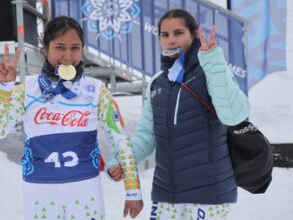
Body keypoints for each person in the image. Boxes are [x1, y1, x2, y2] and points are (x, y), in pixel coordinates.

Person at [0, 16, 143, 220]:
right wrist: (4, 87)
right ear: (45, 48)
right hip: (40, 193)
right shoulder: (26, 90)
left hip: (85, 191)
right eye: (60, 47)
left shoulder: (96, 90)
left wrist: (133, 191)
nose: (68, 56)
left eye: (75, 47)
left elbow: (121, 141)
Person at [107, 9, 250, 220]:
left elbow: (234, 115)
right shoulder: (157, 83)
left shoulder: (210, 71)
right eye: (165, 35)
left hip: (208, 193)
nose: (171, 40)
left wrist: (213, 61)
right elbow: (147, 135)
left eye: (178, 33)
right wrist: (121, 160)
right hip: (167, 193)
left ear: (192, 35)